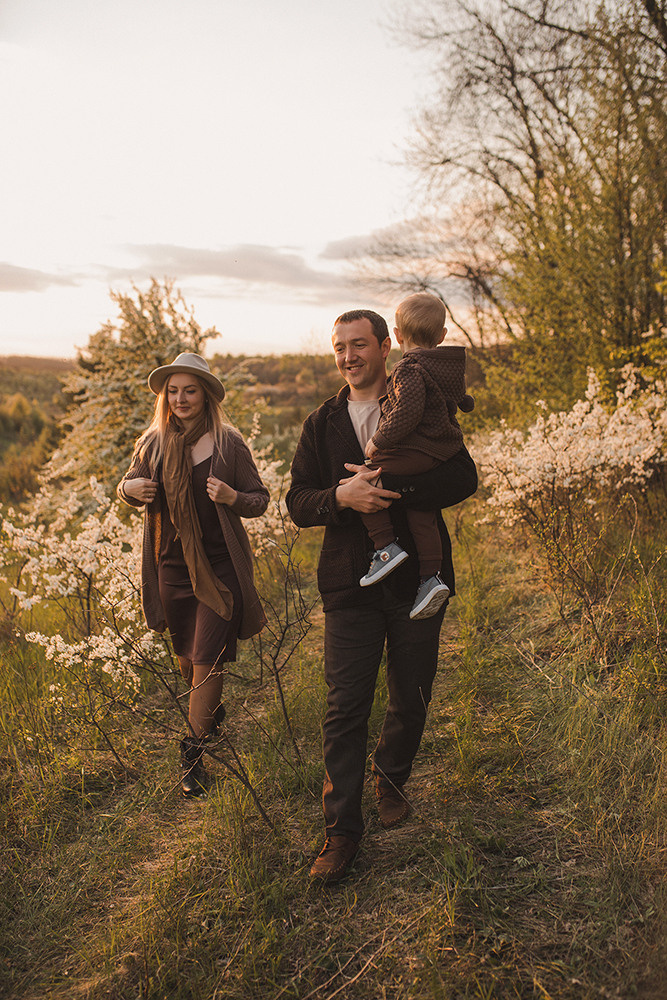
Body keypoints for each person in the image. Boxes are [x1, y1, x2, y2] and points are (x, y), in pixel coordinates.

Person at [286, 309, 477, 883]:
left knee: (411, 691)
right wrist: (342, 497)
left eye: (359, 345)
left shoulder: (418, 399)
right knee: (345, 706)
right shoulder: (321, 424)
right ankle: (341, 832)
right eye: (339, 347)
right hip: (348, 582)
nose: (348, 357)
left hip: (419, 577)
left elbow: (463, 477)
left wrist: (392, 490)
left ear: (386, 345)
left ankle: (391, 778)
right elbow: (297, 502)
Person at [117, 353, 269, 797]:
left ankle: (193, 753)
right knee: (189, 657)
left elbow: (259, 500)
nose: (181, 398)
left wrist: (232, 495)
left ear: (205, 395)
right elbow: (128, 483)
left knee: (207, 658)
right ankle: (209, 718)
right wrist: (131, 489)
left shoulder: (229, 444)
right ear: (166, 396)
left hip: (220, 568)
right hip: (173, 569)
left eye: (190, 390)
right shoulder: (153, 443)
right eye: (174, 390)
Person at [359, 292, 475, 621]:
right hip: (442, 449)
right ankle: (431, 579)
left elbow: (407, 411)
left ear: (396, 336)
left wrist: (377, 443)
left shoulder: (409, 368)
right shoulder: (444, 365)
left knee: (367, 480)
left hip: (416, 448)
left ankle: (385, 547)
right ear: (441, 335)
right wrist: (465, 404)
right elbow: (458, 396)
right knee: (421, 510)